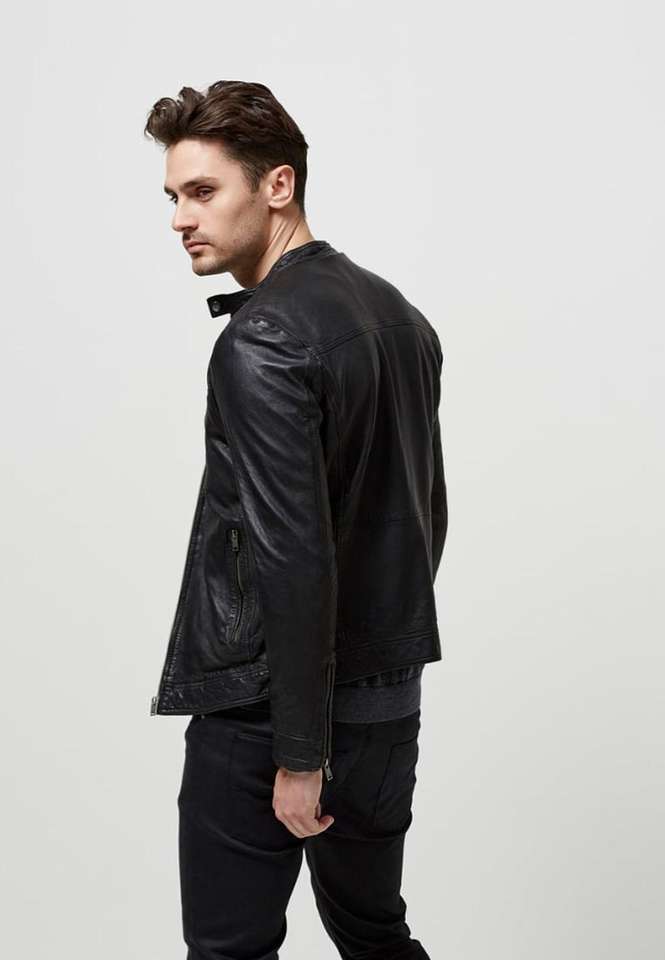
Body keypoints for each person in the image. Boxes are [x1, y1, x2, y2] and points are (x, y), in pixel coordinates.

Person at [144, 79, 448, 960]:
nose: (180, 218)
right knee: (374, 932)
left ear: (277, 185)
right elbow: (423, 516)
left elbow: (293, 553)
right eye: (172, 196)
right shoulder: (399, 316)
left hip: (269, 716)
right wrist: (372, 695)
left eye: (203, 191)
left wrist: (300, 754)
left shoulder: (261, 340)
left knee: (228, 950)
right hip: (384, 704)